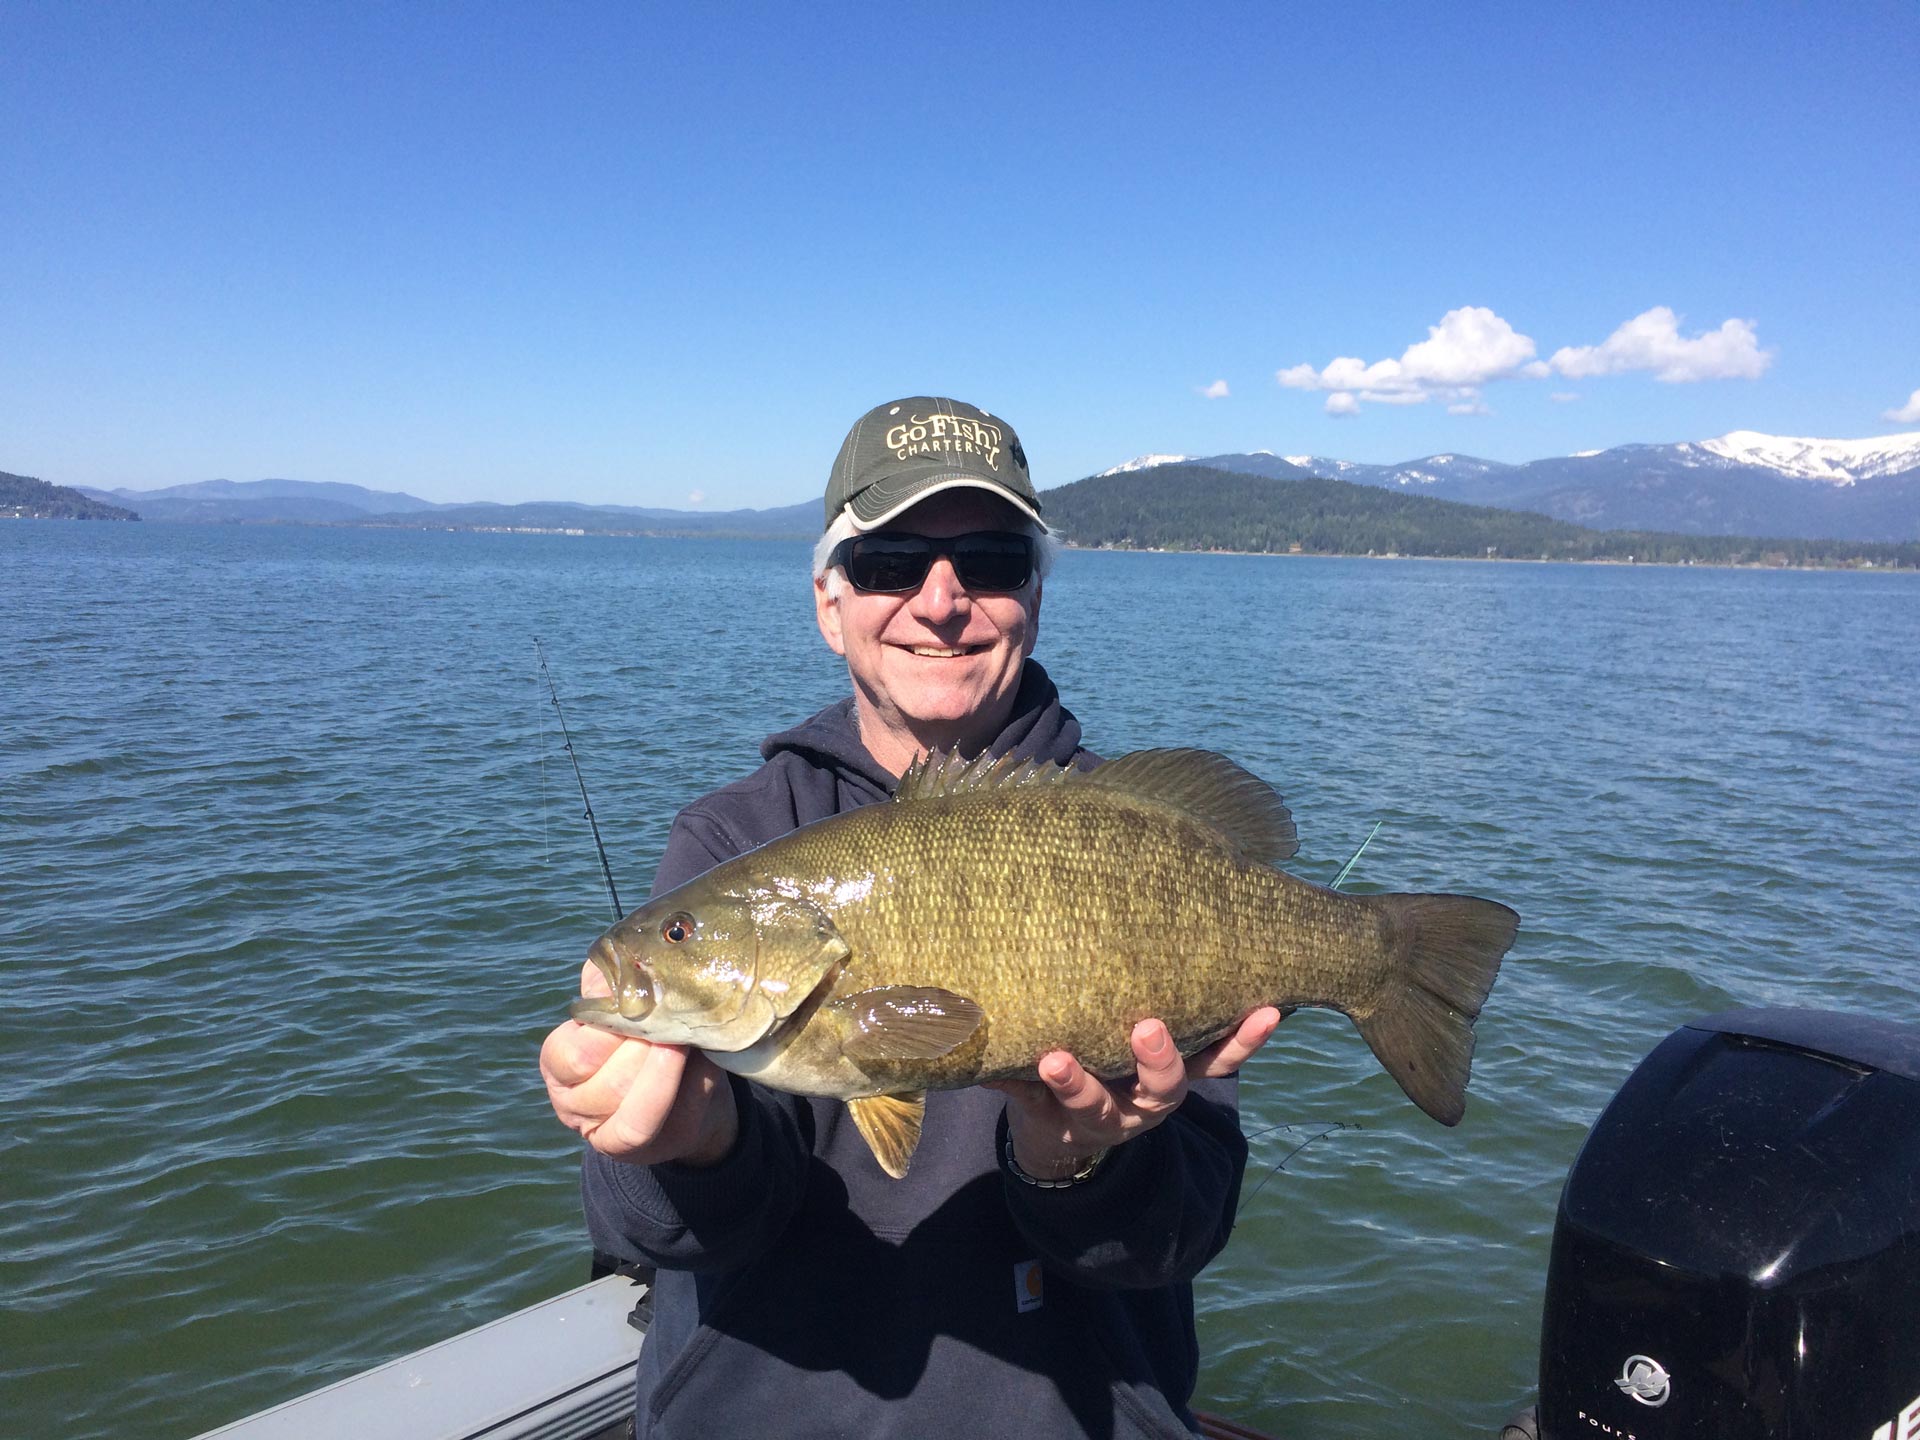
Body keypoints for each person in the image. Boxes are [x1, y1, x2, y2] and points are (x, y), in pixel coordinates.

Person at [540, 396, 1282, 1439]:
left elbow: (1176, 1239)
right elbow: (656, 1232)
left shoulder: (1133, 841)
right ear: (827, 602)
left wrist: (1076, 1162)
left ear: (1034, 595)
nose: (942, 601)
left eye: (989, 559)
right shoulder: (727, 842)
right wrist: (690, 1145)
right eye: (889, 562)